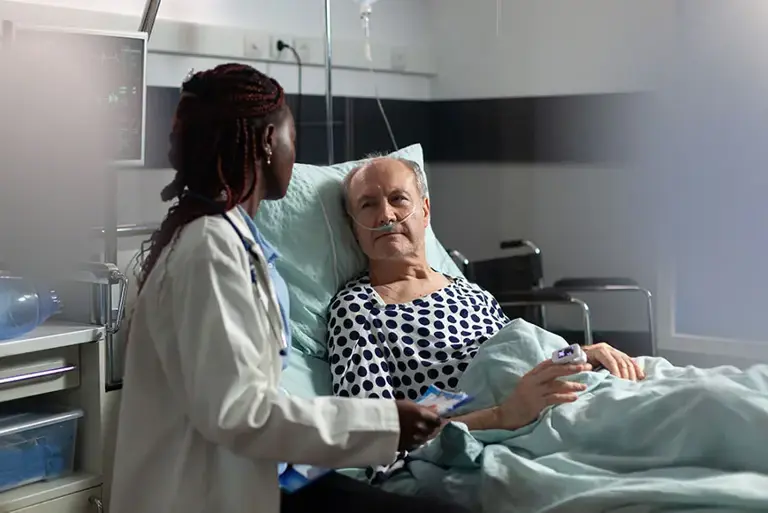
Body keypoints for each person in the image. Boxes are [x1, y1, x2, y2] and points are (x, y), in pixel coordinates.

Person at [109, 65, 471, 513]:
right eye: (291, 138)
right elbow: (240, 411)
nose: (293, 152)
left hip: (259, 472)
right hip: (201, 491)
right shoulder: (210, 251)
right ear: (266, 143)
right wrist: (383, 422)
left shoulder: (234, 241)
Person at [327, 156, 646, 432]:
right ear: (354, 227)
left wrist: (577, 355)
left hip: (574, 391)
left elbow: (520, 355)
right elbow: (371, 434)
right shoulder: (358, 308)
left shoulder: (468, 291)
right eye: (368, 204)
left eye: (399, 199)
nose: (386, 215)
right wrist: (504, 414)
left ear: (425, 212)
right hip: (529, 424)